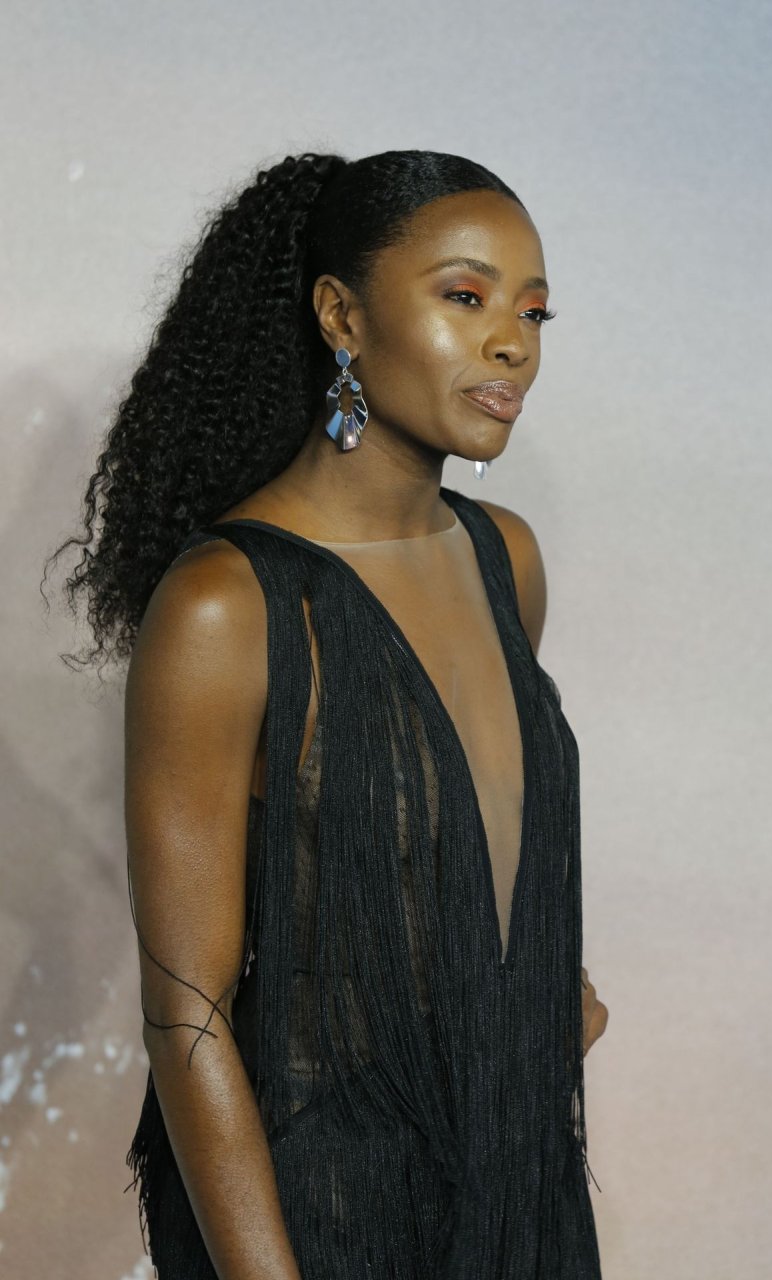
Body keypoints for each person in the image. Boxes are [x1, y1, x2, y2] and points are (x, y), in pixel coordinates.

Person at [48, 149, 608, 1278]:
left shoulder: (504, 560)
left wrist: (548, 1001)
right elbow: (188, 1008)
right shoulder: (228, 604)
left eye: (533, 310)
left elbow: (461, 839)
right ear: (341, 315)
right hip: (322, 1213)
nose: (513, 342)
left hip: (517, 1189)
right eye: (465, 296)